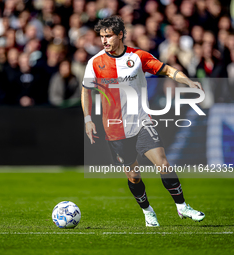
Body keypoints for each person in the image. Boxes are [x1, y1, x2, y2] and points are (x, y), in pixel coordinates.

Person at [81, 16, 205, 227]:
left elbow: (166, 70)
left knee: (163, 163)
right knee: (134, 176)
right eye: (101, 36)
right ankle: (148, 211)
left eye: (108, 36)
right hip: (115, 129)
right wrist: (88, 120)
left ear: (120, 35)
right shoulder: (95, 63)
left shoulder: (138, 57)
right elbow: (86, 90)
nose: (104, 40)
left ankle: (182, 206)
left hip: (141, 122)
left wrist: (188, 81)